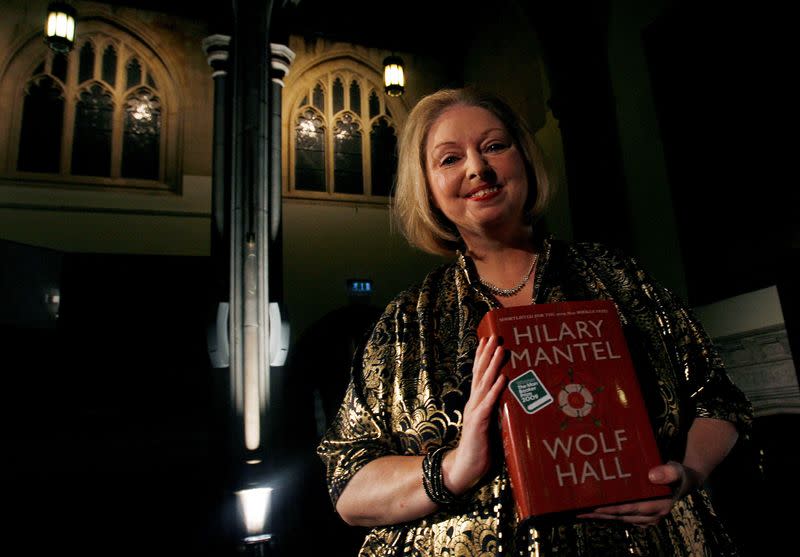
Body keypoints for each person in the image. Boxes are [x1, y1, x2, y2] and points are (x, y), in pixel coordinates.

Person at [317, 86, 752, 556]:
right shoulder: (406, 322)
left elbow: (719, 401)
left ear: (523, 158)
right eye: (448, 159)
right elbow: (348, 484)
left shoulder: (622, 279)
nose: (477, 169)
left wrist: (685, 474)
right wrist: (454, 468)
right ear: (426, 186)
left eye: (493, 146)